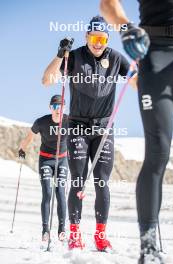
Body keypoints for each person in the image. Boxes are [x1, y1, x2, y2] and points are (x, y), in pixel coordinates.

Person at [42, 15, 137, 251]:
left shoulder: (115, 58)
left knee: (102, 182)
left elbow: (135, 80)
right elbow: (47, 80)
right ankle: (74, 234)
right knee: (77, 180)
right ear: (86, 37)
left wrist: (140, 65)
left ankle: (100, 235)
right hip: (77, 127)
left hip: (104, 128)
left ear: (107, 39)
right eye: (94, 37)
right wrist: (59, 54)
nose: (98, 43)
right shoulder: (74, 56)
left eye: (102, 38)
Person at [100, 0, 173, 263]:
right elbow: (107, 4)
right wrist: (125, 28)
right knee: (158, 151)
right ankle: (149, 250)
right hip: (156, 52)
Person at [18, 95, 69, 242]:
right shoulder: (42, 122)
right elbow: (29, 136)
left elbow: (82, 131)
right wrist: (22, 149)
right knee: (47, 192)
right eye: (54, 107)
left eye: (60, 107)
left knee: (60, 192)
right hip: (46, 160)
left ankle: (61, 230)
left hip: (62, 160)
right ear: (50, 108)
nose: (57, 110)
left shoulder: (69, 121)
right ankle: (45, 230)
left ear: (64, 108)